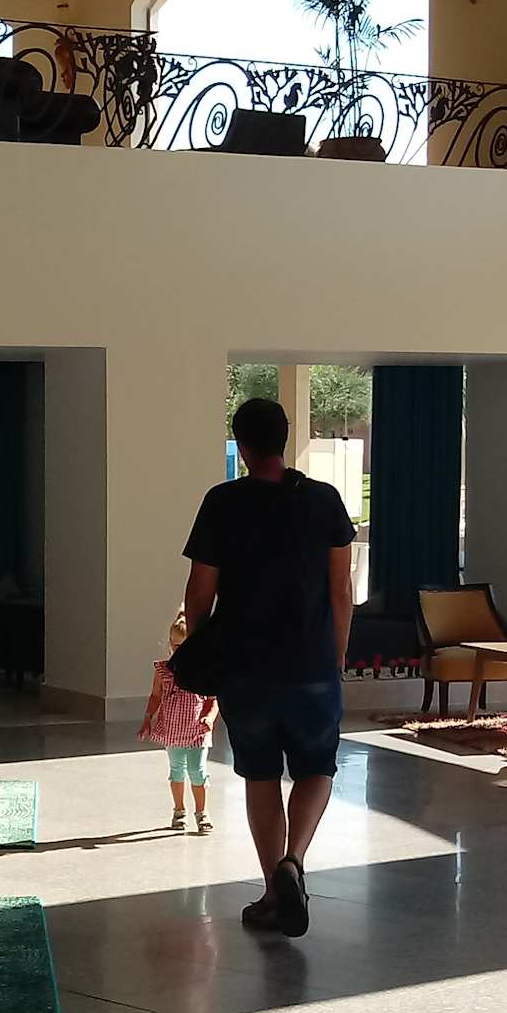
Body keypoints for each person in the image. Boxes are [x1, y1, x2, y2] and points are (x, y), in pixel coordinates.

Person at [180, 397, 354, 938]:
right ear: (285, 437)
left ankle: (272, 892)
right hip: (312, 664)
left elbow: (199, 591)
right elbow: (341, 590)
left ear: (242, 444)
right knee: (316, 768)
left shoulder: (223, 502)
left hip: (245, 667)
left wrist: (198, 646)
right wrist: (338, 654)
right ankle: (293, 862)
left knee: (260, 775)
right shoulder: (324, 501)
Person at [137, 611, 218, 834]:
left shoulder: (204, 670)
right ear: (170, 646)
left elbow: (213, 699)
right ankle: (179, 810)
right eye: (176, 646)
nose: (180, 651)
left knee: (197, 771)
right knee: (176, 771)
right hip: (172, 731)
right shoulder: (163, 671)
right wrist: (147, 719)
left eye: (186, 647)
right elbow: (155, 696)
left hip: (197, 732)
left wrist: (209, 718)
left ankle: (202, 812)